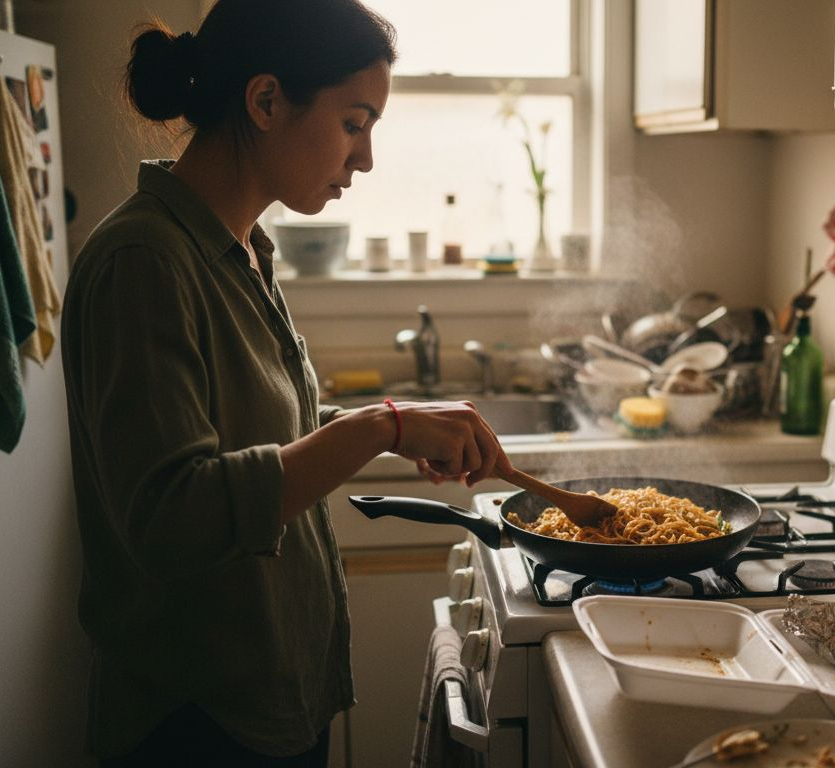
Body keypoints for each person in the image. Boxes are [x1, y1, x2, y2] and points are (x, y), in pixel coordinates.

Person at [60, 1, 511, 764]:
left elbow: (270, 430)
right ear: (266, 101)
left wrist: (396, 422)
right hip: (195, 723)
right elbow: (173, 514)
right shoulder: (143, 262)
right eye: (353, 122)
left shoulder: (240, 248)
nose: (365, 159)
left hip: (272, 698)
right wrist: (379, 429)